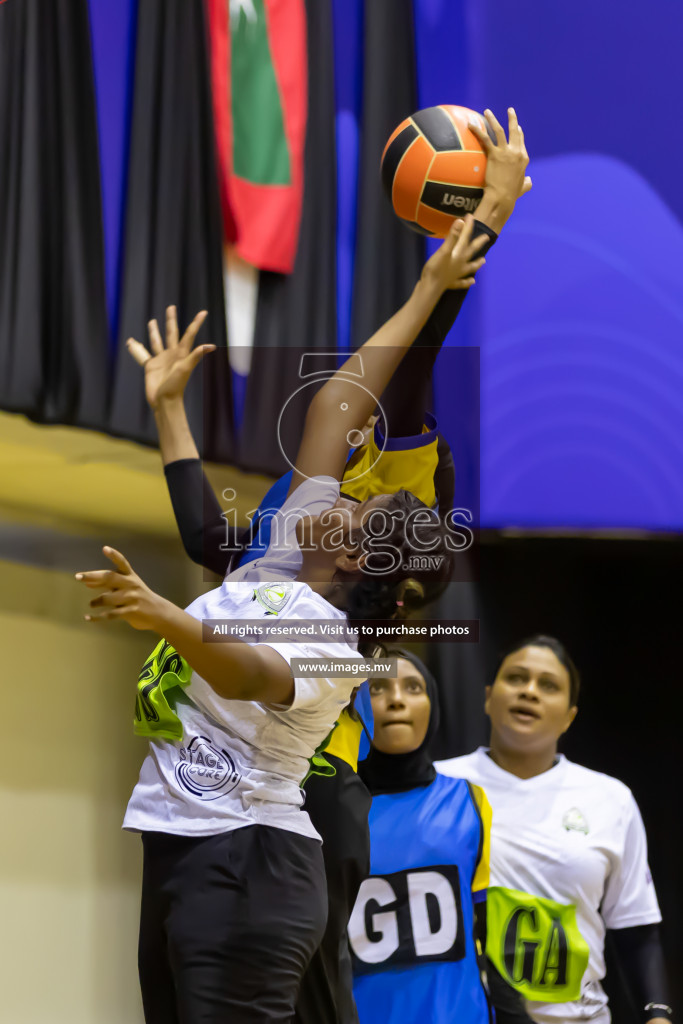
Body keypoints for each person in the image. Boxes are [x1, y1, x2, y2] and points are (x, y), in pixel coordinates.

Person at [135, 108, 531, 1024]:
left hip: (304, 798)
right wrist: (170, 415)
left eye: (366, 505)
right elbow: (208, 540)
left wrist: (482, 227)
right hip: (220, 818)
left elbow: (410, 361)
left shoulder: (400, 482)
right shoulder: (310, 515)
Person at [74, 216, 490, 1024]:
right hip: (187, 852)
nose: (346, 496)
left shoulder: (332, 646)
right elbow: (340, 398)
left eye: (365, 511)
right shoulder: (283, 556)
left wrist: (164, 615)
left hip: (252, 865)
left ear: (358, 559)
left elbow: (249, 672)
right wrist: (428, 287)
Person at [436, 636, 673, 1024]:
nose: (529, 692)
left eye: (548, 686)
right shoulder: (439, 785)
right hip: (462, 1015)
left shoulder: (611, 799)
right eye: (516, 678)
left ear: (569, 716)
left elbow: (635, 927)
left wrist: (658, 1014)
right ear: (488, 697)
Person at [348, 648, 532, 1024]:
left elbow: (489, 927)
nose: (397, 700)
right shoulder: (326, 812)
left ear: (433, 704)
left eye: (413, 687)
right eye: (378, 688)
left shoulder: (469, 802)